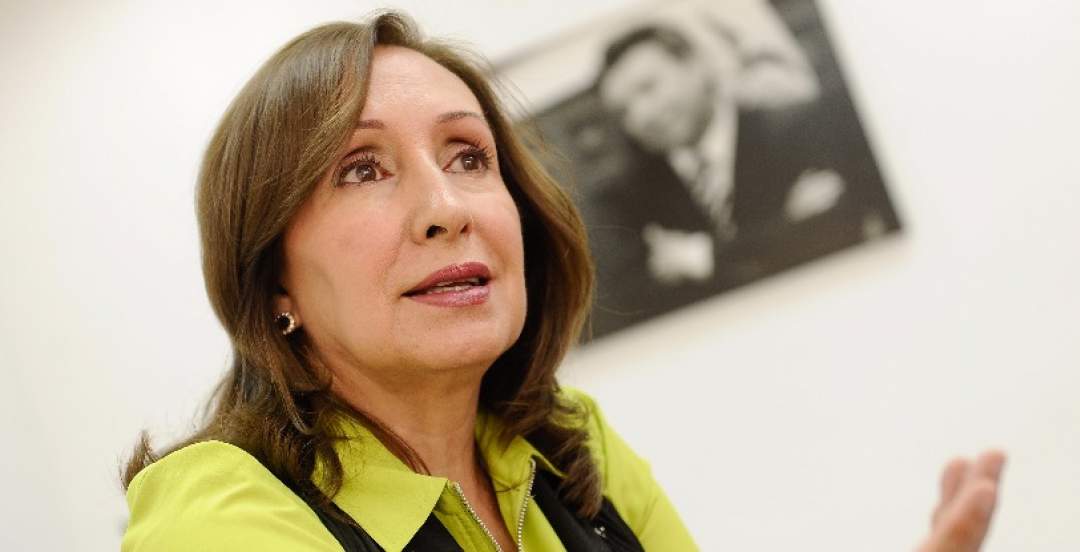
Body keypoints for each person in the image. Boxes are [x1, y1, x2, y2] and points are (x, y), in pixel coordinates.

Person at [120, 11, 1004, 552]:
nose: (445, 208)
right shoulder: (214, 516)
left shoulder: (573, 441)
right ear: (270, 279)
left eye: (469, 156)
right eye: (362, 169)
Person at [593, 21, 887, 325]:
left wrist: (701, 258)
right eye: (622, 111)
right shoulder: (626, 197)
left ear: (697, 65)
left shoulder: (802, 127)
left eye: (648, 87)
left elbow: (838, 231)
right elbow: (637, 305)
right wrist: (784, 230)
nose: (642, 115)